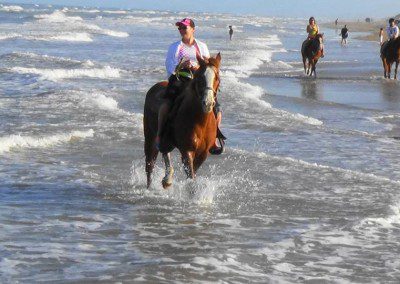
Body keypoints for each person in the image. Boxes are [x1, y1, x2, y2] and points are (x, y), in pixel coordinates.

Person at [156, 18, 223, 153]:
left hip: (199, 80)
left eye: (184, 28)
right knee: (167, 104)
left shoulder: (202, 46)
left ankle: (213, 137)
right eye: (180, 28)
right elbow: (170, 66)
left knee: (217, 108)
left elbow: (208, 65)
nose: (181, 30)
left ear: (193, 29)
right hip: (180, 79)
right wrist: (182, 65)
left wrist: (200, 65)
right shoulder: (175, 47)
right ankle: (160, 135)